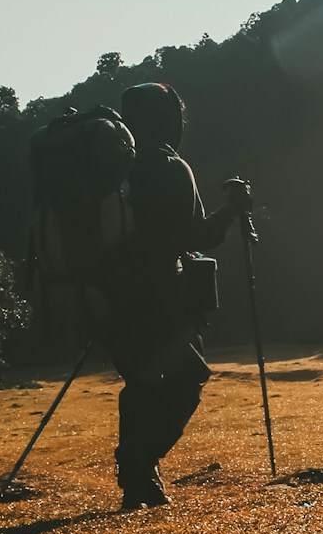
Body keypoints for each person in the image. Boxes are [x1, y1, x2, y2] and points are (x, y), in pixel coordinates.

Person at [105, 81, 251, 509]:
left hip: (111, 296)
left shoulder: (115, 172)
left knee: (140, 385)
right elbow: (193, 236)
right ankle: (137, 463)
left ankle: (139, 484)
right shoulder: (170, 167)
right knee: (188, 382)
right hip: (161, 297)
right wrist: (232, 210)